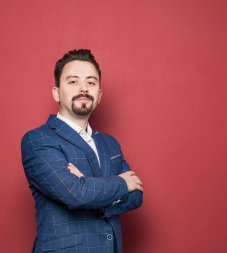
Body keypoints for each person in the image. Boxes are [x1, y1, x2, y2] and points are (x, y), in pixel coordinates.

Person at [21, 49, 143, 253]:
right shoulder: (38, 140)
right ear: (56, 92)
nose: (83, 88)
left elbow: (137, 195)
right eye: (73, 82)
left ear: (100, 95)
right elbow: (75, 193)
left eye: (91, 82)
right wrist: (123, 183)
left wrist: (90, 189)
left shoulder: (110, 143)